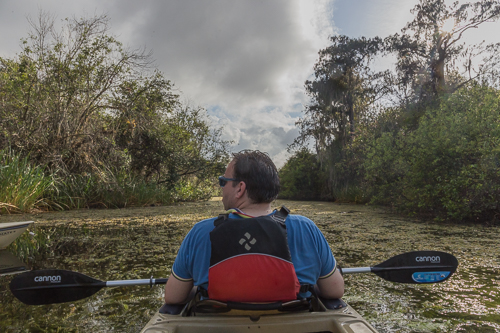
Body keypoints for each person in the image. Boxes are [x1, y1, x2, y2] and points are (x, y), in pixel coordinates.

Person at [164, 150, 344, 304]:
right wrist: (309, 287)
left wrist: (199, 288)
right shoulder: (306, 228)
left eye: (222, 182)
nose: (221, 188)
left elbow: (173, 297)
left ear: (240, 188)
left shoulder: (201, 232)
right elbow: (334, 291)